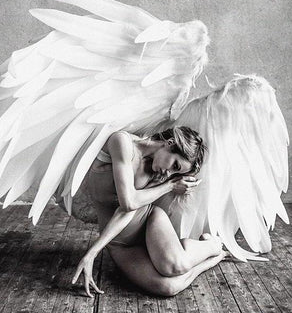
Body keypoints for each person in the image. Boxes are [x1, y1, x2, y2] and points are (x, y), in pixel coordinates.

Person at [72, 126, 226, 297]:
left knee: (176, 266)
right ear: (170, 143)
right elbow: (128, 204)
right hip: (119, 243)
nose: (169, 173)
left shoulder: (159, 173)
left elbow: (131, 206)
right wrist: (92, 253)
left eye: (175, 172)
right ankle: (212, 259)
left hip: (150, 221)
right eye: (175, 165)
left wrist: (169, 185)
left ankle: (212, 246)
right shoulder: (122, 142)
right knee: (168, 287)